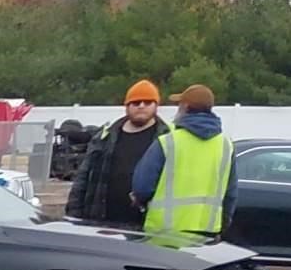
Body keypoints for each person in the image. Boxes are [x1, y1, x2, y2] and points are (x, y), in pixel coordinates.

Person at [132, 85, 236, 243]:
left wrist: (139, 202)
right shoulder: (226, 145)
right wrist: (223, 223)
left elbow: (142, 188)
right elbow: (231, 194)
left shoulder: (168, 142)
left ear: (185, 107)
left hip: (164, 235)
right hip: (206, 236)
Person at [66, 80, 169, 225]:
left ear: (156, 106)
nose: (141, 106)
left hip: (146, 224)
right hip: (101, 222)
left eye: (147, 102)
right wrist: (74, 214)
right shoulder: (105, 137)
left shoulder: (167, 139)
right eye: (136, 102)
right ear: (126, 106)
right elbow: (82, 179)